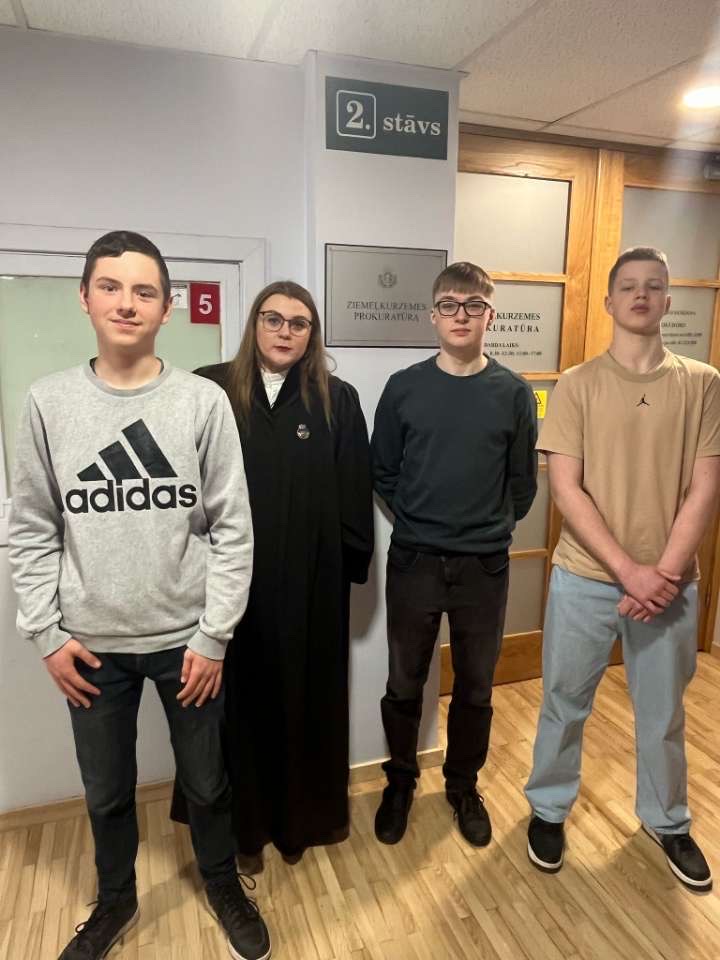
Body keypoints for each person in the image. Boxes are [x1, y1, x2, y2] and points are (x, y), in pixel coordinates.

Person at [8, 231, 271, 960]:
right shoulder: (48, 402)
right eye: (111, 287)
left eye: (144, 291)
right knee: (106, 792)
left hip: (187, 643)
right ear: (85, 298)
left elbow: (233, 527)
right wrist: (46, 635)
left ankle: (222, 882)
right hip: (89, 649)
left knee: (208, 783)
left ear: (167, 307)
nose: (127, 303)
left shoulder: (201, 402)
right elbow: (30, 527)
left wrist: (214, 635)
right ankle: (116, 900)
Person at [524, 246, 720, 893]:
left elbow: (705, 487)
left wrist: (661, 573)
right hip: (585, 578)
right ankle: (549, 808)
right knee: (564, 701)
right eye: (629, 286)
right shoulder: (577, 383)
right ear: (608, 301)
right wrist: (627, 571)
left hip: (671, 585)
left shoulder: (703, 383)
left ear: (668, 300)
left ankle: (667, 820)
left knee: (663, 712)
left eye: (654, 286)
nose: (641, 295)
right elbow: (566, 488)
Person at [172, 280, 374, 865]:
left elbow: (354, 488)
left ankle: (297, 824)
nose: (285, 331)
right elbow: (183, 485)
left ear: (312, 334)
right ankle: (237, 830)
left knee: (302, 701)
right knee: (233, 708)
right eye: (273, 319)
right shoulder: (209, 388)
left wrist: (347, 569)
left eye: (299, 323)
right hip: (227, 586)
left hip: (311, 586)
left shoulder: (336, 398)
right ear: (254, 324)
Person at [371, 261, 538, 848]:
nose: (460, 315)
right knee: (404, 681)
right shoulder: (403, 388)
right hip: (415, 561)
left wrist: (485, 529)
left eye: (473, 306)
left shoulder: (514, 393)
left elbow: (522, 485)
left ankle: (463, 786)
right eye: (449, 305)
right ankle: (399, 781)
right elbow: (383, 471)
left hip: (483, 567)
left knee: (475, 686)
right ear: (433, 315)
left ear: (491, 315)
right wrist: (421, 521)